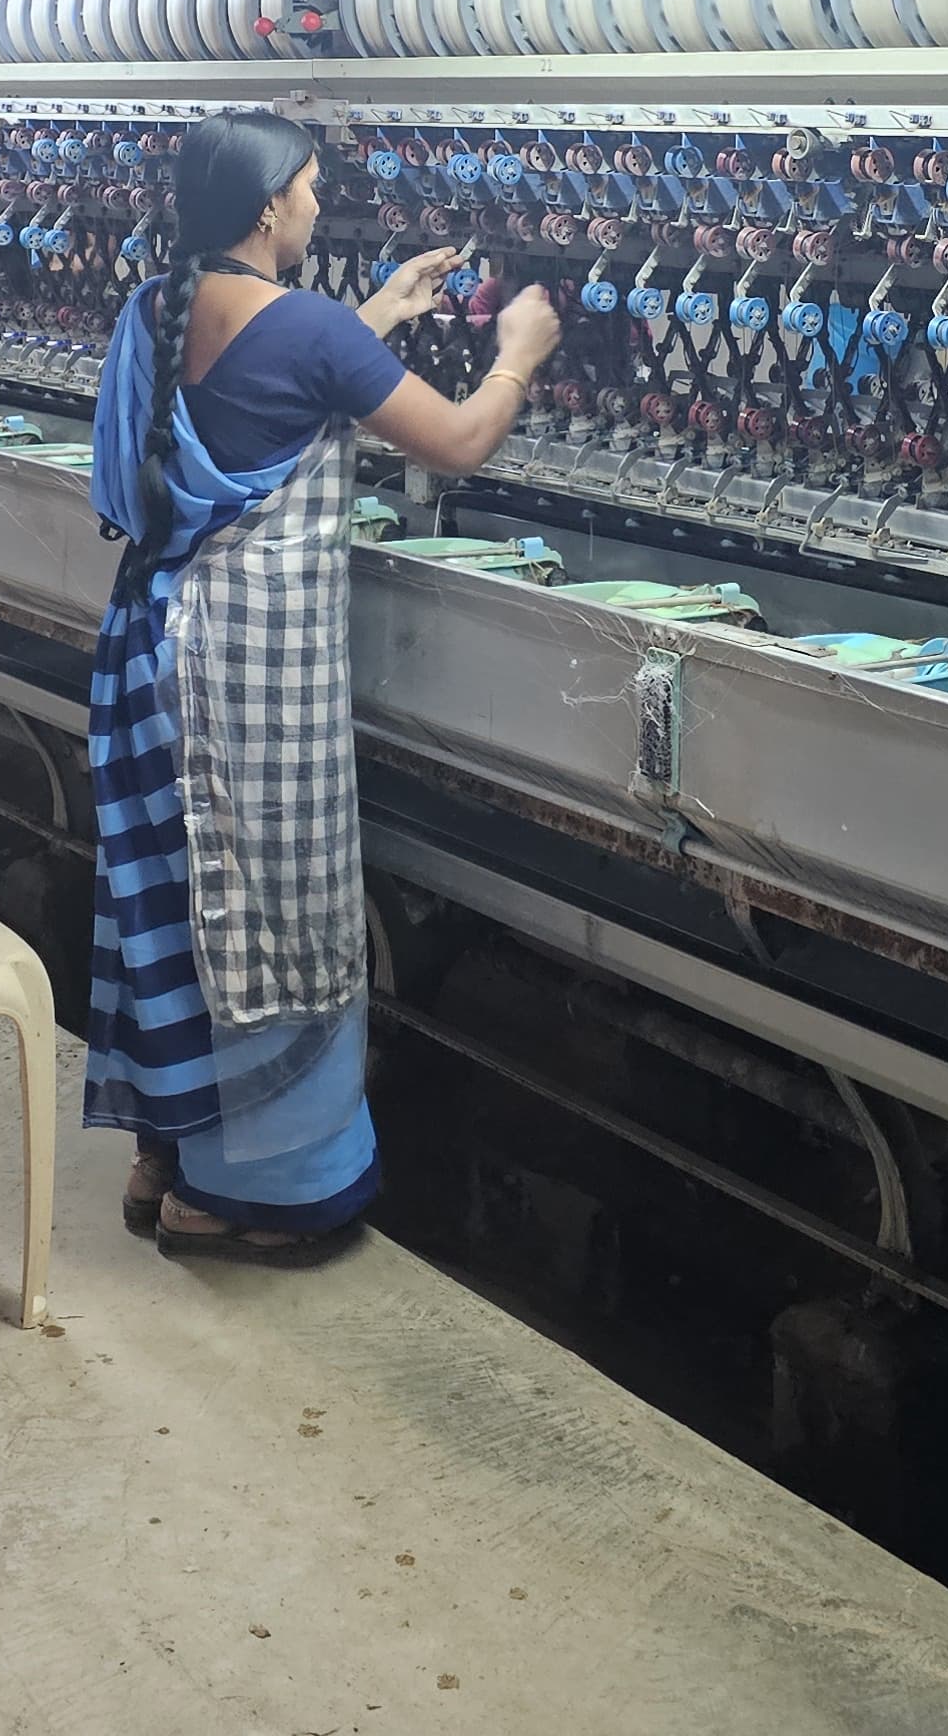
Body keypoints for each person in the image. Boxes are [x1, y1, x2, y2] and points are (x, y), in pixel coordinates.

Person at [84, 108, 560, 1267]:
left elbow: (269, 384)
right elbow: (456, 440)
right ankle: (247, 1197)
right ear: (266, 206)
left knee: (177, 904)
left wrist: (379, 311)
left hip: (150, 653)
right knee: (268, 917)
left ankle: (165, 1157)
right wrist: (520, 350)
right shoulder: (301, 329)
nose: (315, 204)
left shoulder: (158, 304)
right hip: (250, 680)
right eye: (307, 187)